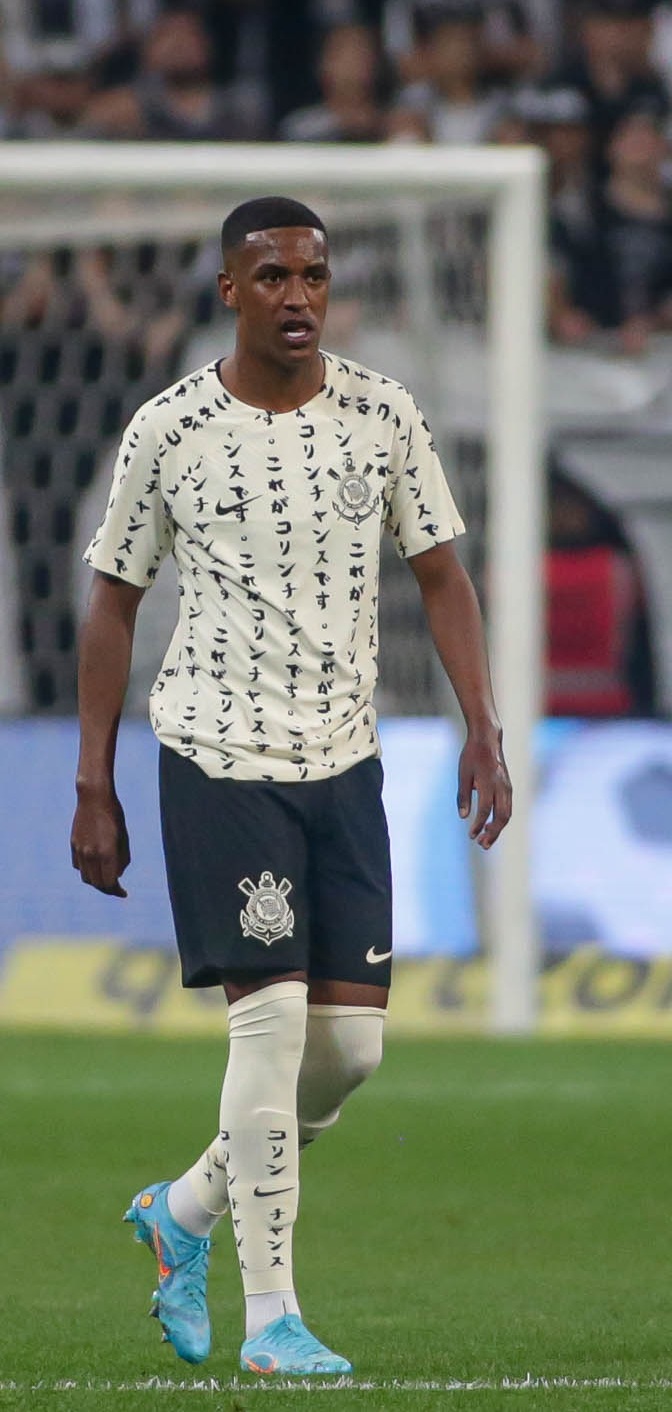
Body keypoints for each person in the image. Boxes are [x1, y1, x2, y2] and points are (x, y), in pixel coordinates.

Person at [72, 197, 511, 1376]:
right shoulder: (167, 428)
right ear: (228, 290)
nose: (297, 296)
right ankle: (272, 1321)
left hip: (343, 762)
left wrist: (483, 730)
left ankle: (183, 1212)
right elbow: (111, 602)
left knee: (348, 1058)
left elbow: (442, 575)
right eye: (270, 276)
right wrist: (92, 784)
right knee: (265, 1031)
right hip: (220, 759)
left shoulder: (381, 413)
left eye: (311, 275)